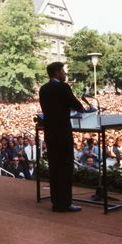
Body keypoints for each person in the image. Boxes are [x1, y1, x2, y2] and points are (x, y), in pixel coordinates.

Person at [38, 62, 86, 213]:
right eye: (63, 71)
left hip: (50, 134)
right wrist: (83, 108)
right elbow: (77, 105)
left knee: (54, 168)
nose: (65, 74)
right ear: (57, 72)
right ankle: (65, 204)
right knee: (65, 168)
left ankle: (56, 202)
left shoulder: (43, 89)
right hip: (63, 134)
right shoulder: (63, 87)